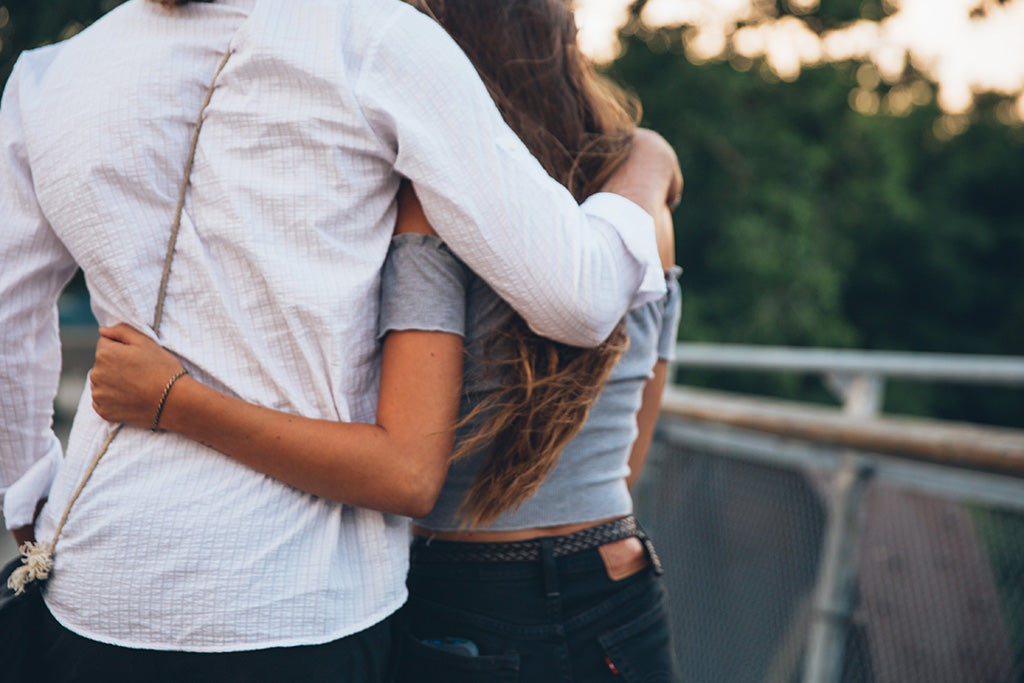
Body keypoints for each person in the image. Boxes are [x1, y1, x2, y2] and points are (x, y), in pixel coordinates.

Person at [0, 0, 680, 679]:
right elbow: (580, 300)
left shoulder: (44, 78)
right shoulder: (374, 37)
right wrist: (648, 160)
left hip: (96, 576)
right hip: (302, 595)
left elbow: (9, 327)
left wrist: (30, 504)